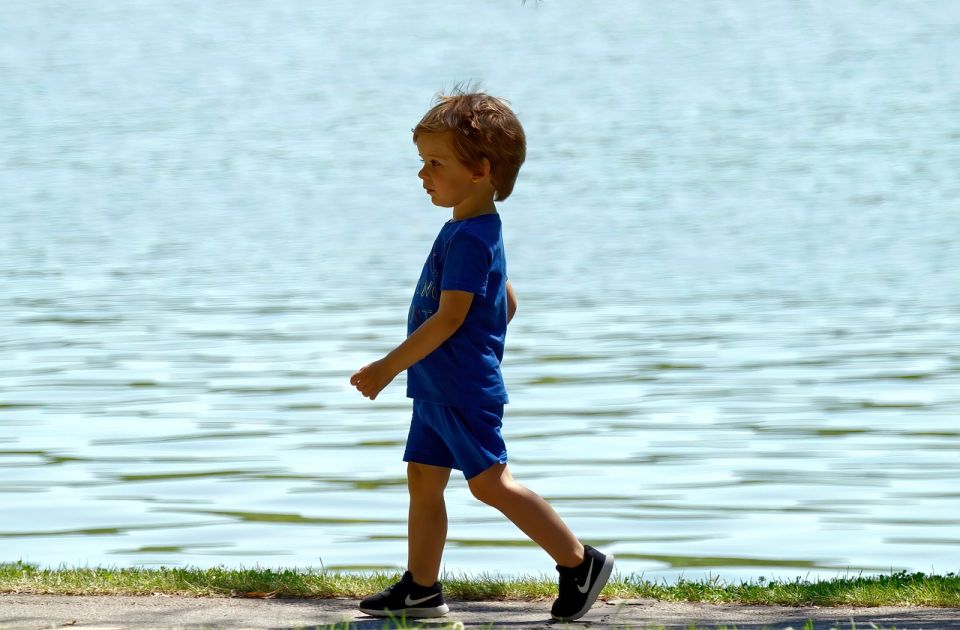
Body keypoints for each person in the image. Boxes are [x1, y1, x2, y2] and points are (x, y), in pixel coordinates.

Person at [349, 88, 614, 622]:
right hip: (438, 386)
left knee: (491, 483)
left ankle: (579, 562)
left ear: (480, 170)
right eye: (422, 161)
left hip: (460, 388)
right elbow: (506, 298)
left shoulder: (471, 237)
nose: (423, 174)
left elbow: (449, 318)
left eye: (434, 162)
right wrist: (480, 336)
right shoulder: (471, 229)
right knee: (424, 480)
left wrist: (387, 366)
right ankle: (421, 588)